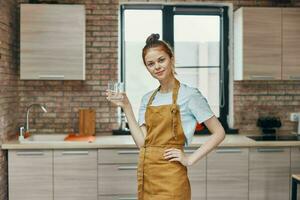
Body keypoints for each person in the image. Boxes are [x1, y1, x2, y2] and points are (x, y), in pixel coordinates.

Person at [106, 33, 225, 200]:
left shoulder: (190, 95)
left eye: (161, 60)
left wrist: (190, 159)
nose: (157, 67)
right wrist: (126, 106)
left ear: (171, 58)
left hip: (172, 178)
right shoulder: (147, 99)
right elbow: (142, 143)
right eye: (151, 63)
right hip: (148, 175)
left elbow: (219, 132)